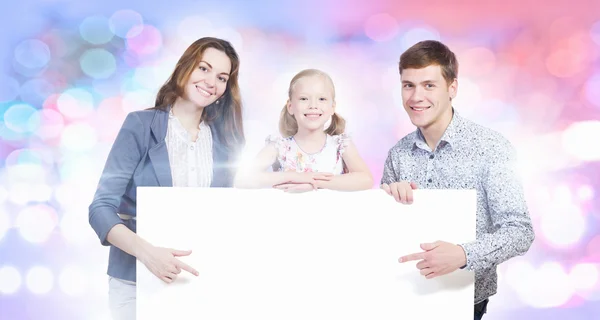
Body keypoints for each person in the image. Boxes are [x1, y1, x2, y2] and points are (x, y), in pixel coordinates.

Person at [88, 37, 245, 320]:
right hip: (135, 282)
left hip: (199, 286)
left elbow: (224, 216)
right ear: (184, 68)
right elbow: (100, 210)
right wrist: (148, 254)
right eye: (204, 68)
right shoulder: (140, 125)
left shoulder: (226, 143)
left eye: (222, 77)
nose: (211, 81)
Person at [380, 40, 534, 320]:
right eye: (408, 85)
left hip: (463, 303)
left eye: (429, 85)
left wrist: (464, 255)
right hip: (401, 300)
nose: (416, 96)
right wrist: (386, 196)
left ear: (452, 88)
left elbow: (519, 231)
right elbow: (383, 234)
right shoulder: (397, 155)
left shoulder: (492, 148)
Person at [234, 68, 372, 192]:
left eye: (322, 99)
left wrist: (313, 182)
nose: (313, 105)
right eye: (304, 98)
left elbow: (365, 179)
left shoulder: (340, 145)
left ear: (332, 107)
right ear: (291, 106)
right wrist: (295, 177)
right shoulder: (280, 147)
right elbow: (243, 179)